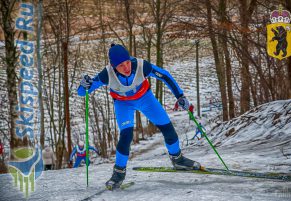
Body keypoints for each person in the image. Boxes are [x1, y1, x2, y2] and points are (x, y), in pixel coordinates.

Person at [78, 44, 201, 190]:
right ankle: (118, 173)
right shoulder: (107, 74)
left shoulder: (142, 66)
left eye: (128, 62)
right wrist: (84, 85)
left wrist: (180, 96)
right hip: (123, 103)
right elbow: (82, 92)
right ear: (113, 66)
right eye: (121, 65)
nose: (126, 67)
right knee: (126, 135)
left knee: (167, 127)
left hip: (145, 99)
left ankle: (178, 159)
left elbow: (165, 75)